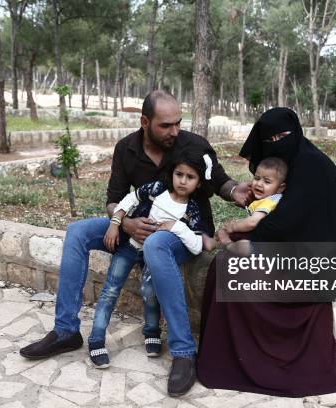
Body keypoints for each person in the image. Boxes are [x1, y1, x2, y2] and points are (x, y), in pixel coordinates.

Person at [19, 90, 251, 396]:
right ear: (145, 122)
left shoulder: (194, 145)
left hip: (181, 232)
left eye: (178, 123)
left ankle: (183, 352)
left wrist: (235, 191)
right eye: (166, 125)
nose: (174, 131)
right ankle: (65, 331)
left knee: (157, 245)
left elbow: (218, 179)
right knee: (77, 232)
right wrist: (124, 222)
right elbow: (114, 200)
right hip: (136, 226)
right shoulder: (126, 148)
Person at [197, 107, 336, 397]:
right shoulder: (295, 162)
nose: (279, 142)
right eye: (271, 138)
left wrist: (240, 237)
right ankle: (235, 357)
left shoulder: (311, 165)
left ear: (297, 132)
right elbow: (279, 215)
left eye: (284, 136)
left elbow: (284, 222)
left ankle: (249, 361)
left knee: (229, 265)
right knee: (226, 264)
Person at [89, 149, 217, 369]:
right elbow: (130, 198)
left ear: (199, 182)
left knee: (150, 292)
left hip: (153, 256)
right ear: (172, 173)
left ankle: (151, 331)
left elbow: (196, 246)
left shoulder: (192, 211)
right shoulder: (157, 189)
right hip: (130, 247)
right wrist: (115, 222)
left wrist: (176, 226)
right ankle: (96, 338)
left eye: (191, 177)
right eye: (179, 174)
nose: (183, 181)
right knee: (111, 289)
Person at [215, 157, 287, 244]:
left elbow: (252, 223)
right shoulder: (273, 198)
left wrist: (233, 227)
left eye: (267, 182)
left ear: (280, 188)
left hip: (266, 243)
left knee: (239, 241)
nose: (259, 184)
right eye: (257, 178)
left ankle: (228, 243)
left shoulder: (270, 202)